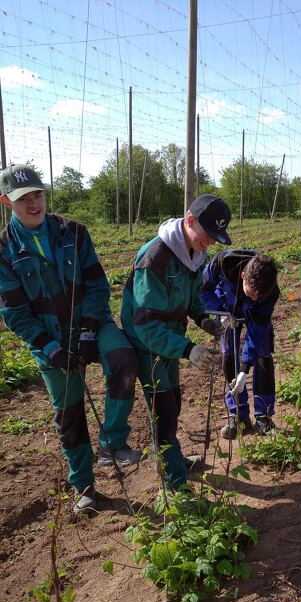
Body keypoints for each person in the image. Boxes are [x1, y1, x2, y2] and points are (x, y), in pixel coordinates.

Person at [0, 164, 141, 514]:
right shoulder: (3, 250)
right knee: (70, 414)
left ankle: (112, 443)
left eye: (38, 194)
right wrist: (51, 348)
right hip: (48, 339)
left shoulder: (74, 233)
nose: (34, 203)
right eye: (24, 198)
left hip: (91, 322)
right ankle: (84, 486)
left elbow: (96, 283)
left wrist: (91, 329)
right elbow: (14, 312)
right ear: (6, 201)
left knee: (124, 360)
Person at [120, 194, 232, 489]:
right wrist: (188, 348)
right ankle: (175, 483)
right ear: (190, 221)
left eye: (215, 238)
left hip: (170, 340)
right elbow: (144, 325)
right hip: (148, 346)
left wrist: (203, 320)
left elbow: (192, 296)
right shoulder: (155, 258)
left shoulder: (194, 252)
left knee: (175, 403)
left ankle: (172, 460)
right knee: (164, 411)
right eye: (208, 235)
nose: (209, 242)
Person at [201, 250, 279, 438]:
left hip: (254, 315)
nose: (254, 299)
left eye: (257, 297)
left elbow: (257, 332)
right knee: (229, 356)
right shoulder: (221, 264)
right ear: (243, 276)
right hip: (228, 309)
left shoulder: (269, 292)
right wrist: (220, 313)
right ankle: (239, 416)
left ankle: (264, 417)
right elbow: (202, 290)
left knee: (263, 356)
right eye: (252, 293)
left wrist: (245, 368)